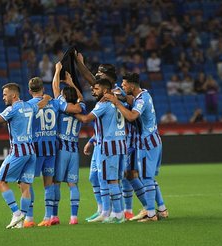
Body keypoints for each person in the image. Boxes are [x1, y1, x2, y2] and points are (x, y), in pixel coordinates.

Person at [0, 82, 51, 229]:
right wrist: (47, 97)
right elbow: (44, 101)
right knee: (25, 186)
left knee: (0, 182)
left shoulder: (12, 109)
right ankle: (21, 222)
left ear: (13, 95)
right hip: (31, 152)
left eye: (5, 94)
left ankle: (16, 213)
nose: (3, 97)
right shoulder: (29, 106)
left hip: (19, 151)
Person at [104, 72, 168, 222]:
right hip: (153, 139)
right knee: (148, 177)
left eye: (125, 85)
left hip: (147, 142)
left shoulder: (141, 100)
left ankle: (151, 214)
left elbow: (132, 116)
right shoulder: (145, 94)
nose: (123, 87)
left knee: (146, 178)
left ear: (132, 86)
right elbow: (128, 99)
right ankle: (162, 209)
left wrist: (116, 102)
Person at [26, 76, 82, 228]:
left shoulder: (27, 105)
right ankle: (48, 217)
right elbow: (77, 106)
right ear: (43, 89)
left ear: (29, 90)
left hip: (36, 149)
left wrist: (57, 72)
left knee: (27, 183)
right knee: (49, 184)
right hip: (52, 149)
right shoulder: (56, 103)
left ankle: (29, 218)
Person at [75, 78, 127, 223]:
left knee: (110, 180)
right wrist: (92, 140)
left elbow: (86, 119)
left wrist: (71, 112)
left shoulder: (103, 104)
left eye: (96, 89)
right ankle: (116, 212)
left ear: (105, 90)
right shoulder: (118, 102)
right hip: (120, 145)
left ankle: (117, 214)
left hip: (108, 147)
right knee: (114, 180)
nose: (93, 91)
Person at [52, 62, 86, 225]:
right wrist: (72, 83)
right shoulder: (81, 107)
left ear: (65, 96)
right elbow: (81, 97)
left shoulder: (61, 105)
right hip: (74, 150)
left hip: (61, 150)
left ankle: (54, 216)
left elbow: (55, 88)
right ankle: (74, 217)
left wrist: (57, 71)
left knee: (55, 183)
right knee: (73, 184)